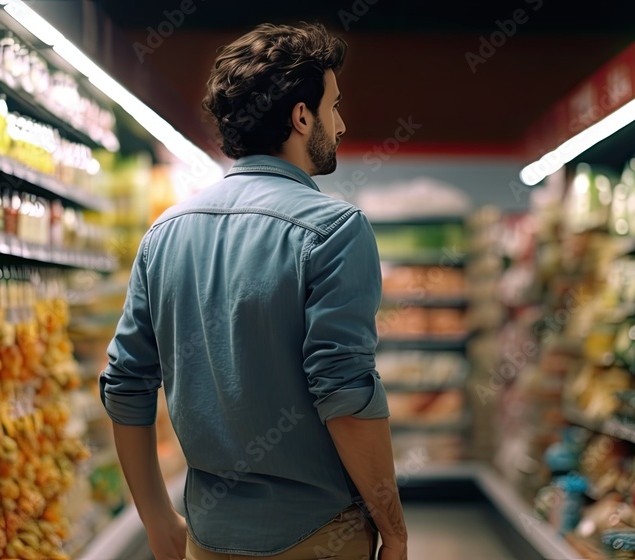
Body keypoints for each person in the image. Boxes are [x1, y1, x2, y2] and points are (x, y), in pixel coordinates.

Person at [100, 22, 408, 560]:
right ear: (301, 115)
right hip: (319, 535)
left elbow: (126, 386)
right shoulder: (336, 229)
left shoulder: (164, 233)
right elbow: (346, 395)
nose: (342, 124)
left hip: (206, 536)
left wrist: (156, 519)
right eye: (334, 106)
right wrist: (395, 529)